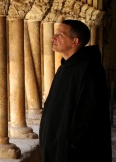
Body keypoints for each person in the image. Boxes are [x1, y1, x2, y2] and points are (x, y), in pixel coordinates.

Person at [39, 19, 111, 162]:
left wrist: (73, 146)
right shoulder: (66, 67)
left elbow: (88, 115)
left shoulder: (89, 70)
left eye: (60, 34)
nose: (53, 38)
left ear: (74, 41)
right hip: (58, 148)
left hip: (73, 154)